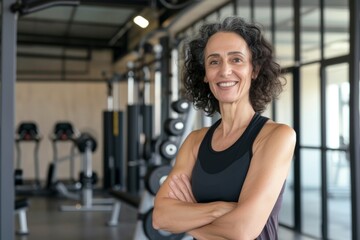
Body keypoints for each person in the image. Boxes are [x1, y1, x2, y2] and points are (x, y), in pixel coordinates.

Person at [152, 16, 296, 240]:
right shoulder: (195, 141)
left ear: (254, 69)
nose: (225, 71)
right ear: (205, 75)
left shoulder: (276, 136)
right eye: (214, 61)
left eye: (236, 59)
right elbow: (160, 217)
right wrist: (219, 210)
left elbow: (242, 230)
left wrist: (185, 219)